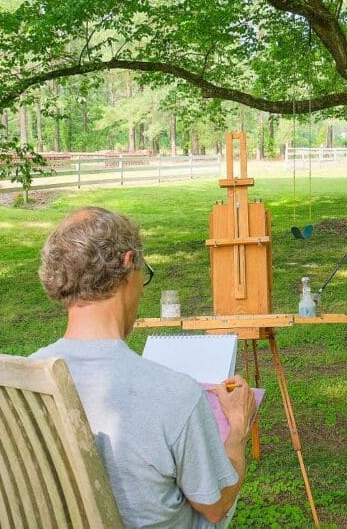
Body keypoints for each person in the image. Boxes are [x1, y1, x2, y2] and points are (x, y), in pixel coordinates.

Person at [32, 206, 255, 528]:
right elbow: (216, 505)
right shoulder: (174, 393)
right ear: (128, 264)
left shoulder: (25, 375)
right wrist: (237, 430)